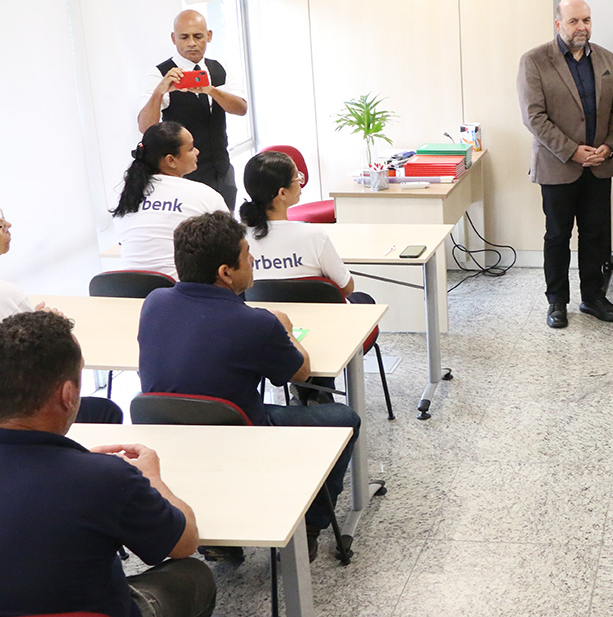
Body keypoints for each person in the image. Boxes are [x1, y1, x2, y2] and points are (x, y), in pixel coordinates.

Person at [137, 211, 360, 560]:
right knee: (345, 418)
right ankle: (311, 527)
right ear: (225, 273)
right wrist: (283, 327)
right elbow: (301, 373)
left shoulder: (153, 303)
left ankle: (222, 540)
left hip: (170, 434)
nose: (252, 258)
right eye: (245, 254)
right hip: (240, 433)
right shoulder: (257, 323)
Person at [0, 310, 215, 617]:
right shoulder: (107, 479)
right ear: (68, 395)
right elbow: (184, 542)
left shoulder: (97, 475)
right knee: (196, 575)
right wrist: (151, 477)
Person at [517, 0, 613, 329]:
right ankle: (556, 302)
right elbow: (533, 116)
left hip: (598, 164)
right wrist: (571, 150)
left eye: (587, 20)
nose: (582, 27)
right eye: (574, 21)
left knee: (595, 235)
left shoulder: (605, 58)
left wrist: (608, 147)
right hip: (558, 165)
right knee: (557, 236)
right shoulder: (534, 60)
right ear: (558, 24)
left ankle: (593, 297)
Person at [0, 207, 122, 424]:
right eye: (1, 224)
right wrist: (50, 328)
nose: (9, 225)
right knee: (105, 411)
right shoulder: (7, 294)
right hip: (18, 410)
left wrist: (34, 321)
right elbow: (51, 360)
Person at [137, 9, 248, 210]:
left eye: (198, 36)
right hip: (183, 176)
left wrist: (211, 90)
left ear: (209, 36)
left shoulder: (221, 69)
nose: (191, 43)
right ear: (173, 38)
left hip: (222, 169)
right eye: (184, 37)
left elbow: (241, 109)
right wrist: (160, 91)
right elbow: (145, 127)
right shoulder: (158, 74)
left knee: (226, 230)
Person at [111, 122, 227, 280]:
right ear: (171, 160)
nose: (197, 152)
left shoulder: (128, 197)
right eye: (191, 148)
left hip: (129, 293)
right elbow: (229, 246)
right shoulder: (204, 195)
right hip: (180, 294)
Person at [240, 150, 355, 296]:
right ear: (282, 193)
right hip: (320, 316)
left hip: (266, 316)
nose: (301, 182)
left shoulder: (240, 240)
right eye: (297, 178)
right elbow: (347, 288)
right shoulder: (315, 237)